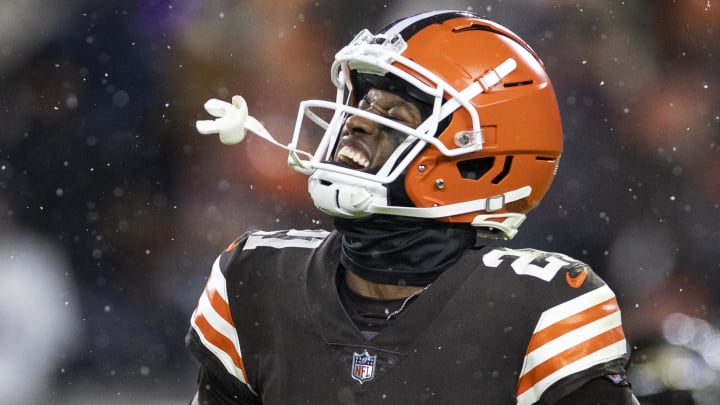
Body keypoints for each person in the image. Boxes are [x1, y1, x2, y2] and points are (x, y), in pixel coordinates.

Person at [186, 10, 639, 404]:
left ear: (478, 161)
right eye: (364, 102)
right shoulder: (256, 276)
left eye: (395, 116)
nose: (356, 122)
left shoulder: (542, 307)